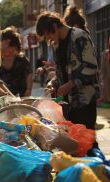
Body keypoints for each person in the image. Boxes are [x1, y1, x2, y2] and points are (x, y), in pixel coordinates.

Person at [36, 11, 99, 154]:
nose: (49, 38)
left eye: (48, 34)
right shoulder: (55, 45)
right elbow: (60, 73)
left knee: (88, 144)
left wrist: (70, 84)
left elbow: (92, 67)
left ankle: (98, 172)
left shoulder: (79, 36)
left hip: (84, 101)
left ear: (55, 26)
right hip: (66, 105)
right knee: (71, 144)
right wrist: (53, 84)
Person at [0, 26, 33, 97]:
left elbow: (29, 75)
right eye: (12, 49)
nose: (13, 52)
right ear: (7, 43)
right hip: (3, 96)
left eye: (15, 49)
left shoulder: (21, 60)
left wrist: (28, 89)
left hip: (21, 96)